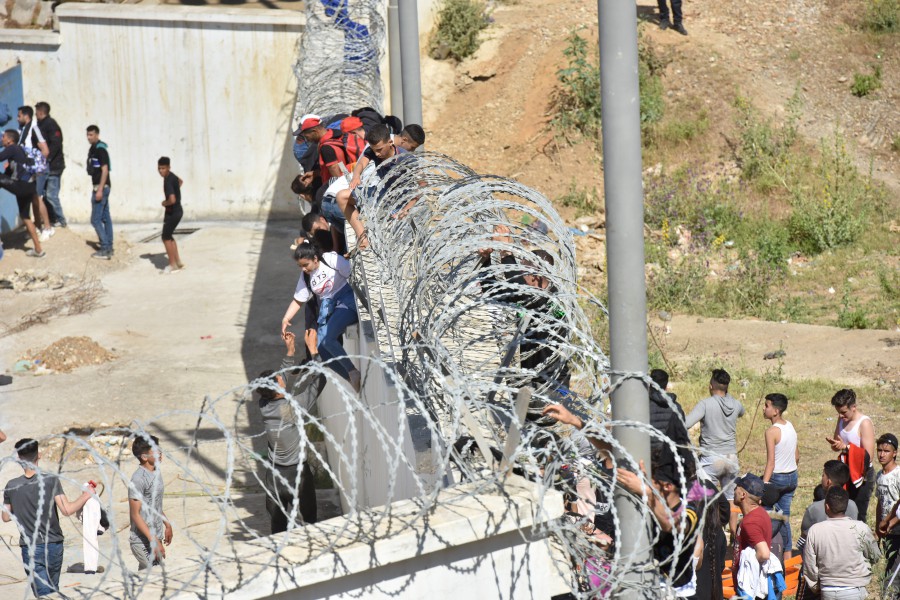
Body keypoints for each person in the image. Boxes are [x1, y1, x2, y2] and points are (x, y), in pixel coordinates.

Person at [2, 439, 94, 596]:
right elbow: (67, 509)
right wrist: (87, 495)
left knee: (44, 594)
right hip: (53, 544)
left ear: (18, 458)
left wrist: (23, 508)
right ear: (39, 455)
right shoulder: (50, 480)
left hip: (30, 547)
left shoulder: (12, 485)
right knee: (52, 591)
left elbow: (5, 516)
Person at [255, 332, 320, 532]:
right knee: (309, 520)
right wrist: (313, 350)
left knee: (278, 526)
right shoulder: (292, 408)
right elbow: (319, 383)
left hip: (274, 475)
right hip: (297, 474)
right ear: (277, 389)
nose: (282, 379)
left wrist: (290, 350)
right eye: (279, 380)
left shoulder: (264, 404)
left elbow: (281, 377)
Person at [281, 240, 361, 391]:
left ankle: (352, 371)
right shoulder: (305, 277)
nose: (304, 269)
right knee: (322, 351)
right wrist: (286, 319)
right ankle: (350, 377)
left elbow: (352, 272)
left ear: (315, 258)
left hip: (346, 301)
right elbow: (298, 300)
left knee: (328, 338)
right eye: (300, 266)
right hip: (330, 308)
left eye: (306, 265)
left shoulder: (329, 259)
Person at [616, 456, 701, 597]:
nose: (646, 484)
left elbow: (672, 525)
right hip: (648, 587)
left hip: (677, 593)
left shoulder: (689, 511)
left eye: (652, 481)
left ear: (667, 486)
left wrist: (647, 494)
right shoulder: (649, 505)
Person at [802, 486, 880, 600]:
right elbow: (875, 555)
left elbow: (809, 565)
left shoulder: (815, 530)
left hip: (827, 590)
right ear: (846, 506)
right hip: (855, 590)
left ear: (827, 506)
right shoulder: (860, 528)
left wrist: (815, 586)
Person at [338, 124, 410, 247]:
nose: (376, 154)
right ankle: (363, 238)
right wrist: (356, 176)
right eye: (374, 150)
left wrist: (406, 209)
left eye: (380, 149)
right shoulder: (374, 151)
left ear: (390, 142)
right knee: (342, 196)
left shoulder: (405, 158)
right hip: (382, 194)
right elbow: (361, 164)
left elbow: (421, 187)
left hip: (401, 201)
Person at [685, 369, 745, 500]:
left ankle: (708, 521)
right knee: (731, 499)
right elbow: (742, 412)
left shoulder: (705, 404)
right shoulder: (736, 404)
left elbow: (687, 423)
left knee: (704, 499)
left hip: (711, 459)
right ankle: (732, 521)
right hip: (731, 458)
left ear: (710, 385)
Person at [825, 388, 876, 522]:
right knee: (843, 512)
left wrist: (846, 447)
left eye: (843, 412)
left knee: (858, 514)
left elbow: (868, 456)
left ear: (853, 407)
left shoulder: (864, 423)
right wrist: (836, 445)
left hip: (862, 475)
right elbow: (838, 445)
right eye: (838, 412)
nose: (841, 416)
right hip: (845, 472)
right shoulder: (842, 419)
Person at [731, 473, 783, 599]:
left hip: (750, 590)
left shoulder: (750, 522)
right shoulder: (759, 513)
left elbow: (764, 553)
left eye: (737, 487)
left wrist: (750, 573)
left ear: (743, 494)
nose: (734, 490)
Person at [762, 392, 799, 560]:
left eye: (767, 405)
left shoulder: (772, 431)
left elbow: (771, 462)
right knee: (785, 518)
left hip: (778, 477)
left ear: (775, 411)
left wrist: (764, 485)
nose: (764, 408)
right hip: (792, 476)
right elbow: (797, 455)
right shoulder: (790, 426)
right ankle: (788, 556)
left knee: (768, 515)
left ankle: (768, 551)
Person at [128, 434, 173, 570]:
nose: (160, 454)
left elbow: (155, 505)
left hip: (155, 537)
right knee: (155, 574)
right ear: (144, 457)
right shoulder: (138, 479)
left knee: (149, 579)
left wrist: (167, 524)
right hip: (142, 541)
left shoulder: (156, 473)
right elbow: (136, 515)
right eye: (155, 451)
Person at [0, 129, 45, 257]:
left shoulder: (12, 148)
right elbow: (8, 175)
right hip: (29, 187)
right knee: (26, 217)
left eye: (3, 137)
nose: (2, 139)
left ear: (10, 140)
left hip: (21, 186)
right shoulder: (18, 152)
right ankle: (38, 250)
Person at [798, 460, 859, 553]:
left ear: (828, 481)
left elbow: (803, 542)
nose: (821, 478)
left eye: (823, 475)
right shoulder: (853, 506)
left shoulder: (814, 508)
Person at [647, 368, 695, 481]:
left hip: (647, 456)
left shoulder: (642, 406)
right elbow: (681, 433)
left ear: (650, 384)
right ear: (666, 385)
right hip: (668, 458)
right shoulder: (675, 407)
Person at [17, 105, 53, 241]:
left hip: (38, 170)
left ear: (26, 116)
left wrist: (38, 168)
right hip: (30, 171)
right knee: (33, 198)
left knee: (38, 197)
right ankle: (37, 226)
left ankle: (48, 228)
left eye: (19, 115)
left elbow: (45, 150)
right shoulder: (23, 130)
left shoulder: (34, 129)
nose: (17, 118)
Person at [34, 102, 66, 229]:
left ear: (41, 112)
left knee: (51, 195)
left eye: (36, 112)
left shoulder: (51, 124)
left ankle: (61, 220)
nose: (35, 114)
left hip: (54, 166)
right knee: (45, 195)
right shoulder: (41, 125)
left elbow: (56, 144)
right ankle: (52, 219)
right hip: (46, 166)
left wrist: (47, 159)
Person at [876, 433, 900, 589]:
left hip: (897, 526)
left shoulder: (898, 475)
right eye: (879, 450)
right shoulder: (880, 475)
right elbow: (880, 502)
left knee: (894, 572)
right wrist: (878, 527)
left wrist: (890, 522)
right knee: (890, 564)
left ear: (895, 453)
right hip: (888, 530)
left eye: (886, 451)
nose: (882, 454)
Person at [86, 125, 113, 259]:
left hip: (101, 187)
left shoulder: (101, 150)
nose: (89, 137)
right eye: (88, 135)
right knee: (105, 217)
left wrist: (100, 189)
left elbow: (105, 170)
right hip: (101, 186)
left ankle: (105, 248)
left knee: (95, 220)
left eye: (91, 135)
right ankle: (109, 246)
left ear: (97, 135)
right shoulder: (94, 149)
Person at [157, 157, 185, 273]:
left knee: (165, 237)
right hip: (176, 211)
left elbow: (172, 200)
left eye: (163, 168)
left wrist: (165, 203)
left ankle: (172, 265)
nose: (161, 171)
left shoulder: (168, 181)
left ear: (168, 168)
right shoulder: (172, 176)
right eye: (159, 168)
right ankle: (178, 262)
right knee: (169, 235)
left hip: (173, 212)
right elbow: (180, 182)